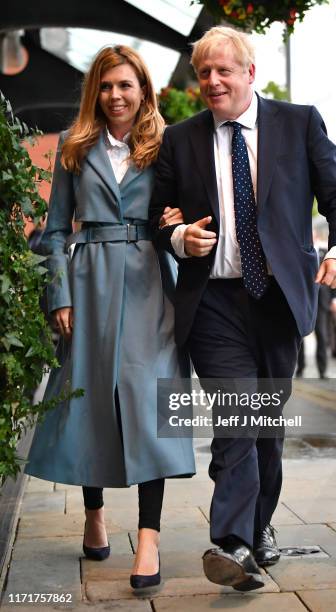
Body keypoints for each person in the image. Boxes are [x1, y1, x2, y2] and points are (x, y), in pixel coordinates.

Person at [149, 26, 336, 592]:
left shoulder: (299, 123)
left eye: (223, 71)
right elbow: (158, 217)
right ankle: (233, 543)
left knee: (264, 426)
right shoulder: (181, 139)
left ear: (249, 72)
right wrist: (179, 240)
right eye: (203, 74)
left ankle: (259, 526)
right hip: (214, 301)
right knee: (238, 418)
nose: (212, 82)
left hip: (279, 301)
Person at [25, 45, 195, 590]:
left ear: (143, 89)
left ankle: (149, 540)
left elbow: (188, 212)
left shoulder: (168, 146)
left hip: (150, 282)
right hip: (90, 281)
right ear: (95, 93)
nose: (116, 95)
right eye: (105, 86)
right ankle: (94, 513)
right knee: (90, 400)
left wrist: (178, 221)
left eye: (125, 85)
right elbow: (54, 232)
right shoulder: (76, 150)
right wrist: (60, 295)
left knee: (151, 406)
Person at [297, 246, 336, 379]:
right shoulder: (298, 249)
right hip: (302, 299)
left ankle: (322, 371)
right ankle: (300, 368)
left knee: (322, 335)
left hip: (322, 302)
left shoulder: (325, 252)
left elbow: (334, 272)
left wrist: (335, 298)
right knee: (300, 336)